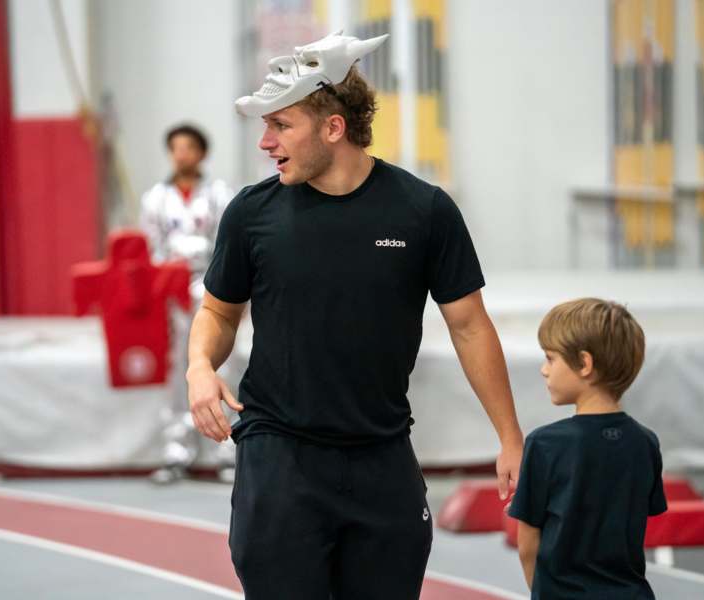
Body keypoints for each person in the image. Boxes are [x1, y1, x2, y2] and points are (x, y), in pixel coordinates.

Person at [186, 31, 523, 598]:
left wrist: (510, 436)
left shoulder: (424, 211)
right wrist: (199, 365)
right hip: (279, 454)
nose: (266, 143)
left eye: (281, 125)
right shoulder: (251, 213)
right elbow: (218, 313)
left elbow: (468, 326)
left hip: (382, 454)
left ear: (333, 127)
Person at [508, 298, 668, 599]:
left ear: (584, 363)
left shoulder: (544, 445)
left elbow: (527, 546)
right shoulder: (646, 443)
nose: (544, 370)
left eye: (550, 358)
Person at [139, 123, 235, 484]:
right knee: (179, 369)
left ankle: (227, 452)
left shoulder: (220, 194)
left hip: (214, 289)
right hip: (172, 293)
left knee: (222, 365)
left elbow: (228, 244)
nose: (182, 154)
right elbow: (152, 248)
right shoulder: (154, 199)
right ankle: (177, 452)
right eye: (176, 148)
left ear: (202, 153)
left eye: (189, 147)